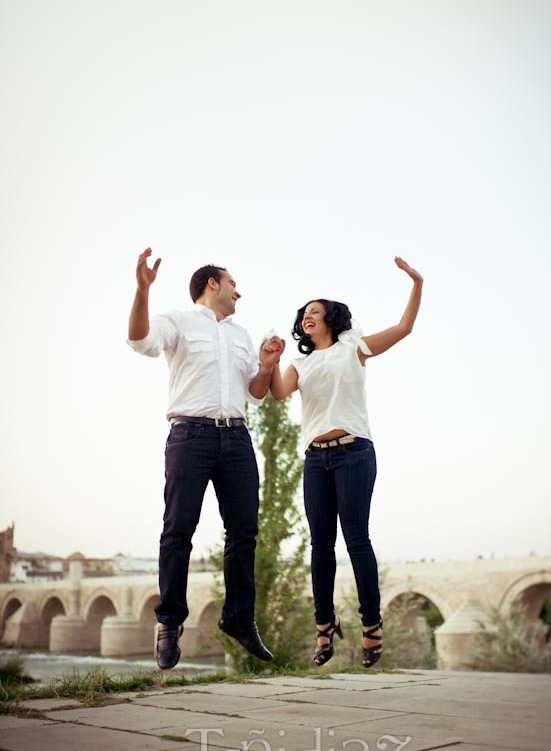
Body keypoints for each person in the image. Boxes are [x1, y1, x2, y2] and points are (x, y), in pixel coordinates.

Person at [128, 248, 283, 670]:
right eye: (233, 283)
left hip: (236, 438)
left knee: (245, 532)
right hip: (189, 436)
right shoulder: (177, 320)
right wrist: (142, 290)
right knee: (178, 530)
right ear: (212, 283)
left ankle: (238, 619)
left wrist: (267, 365)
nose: (238, 292)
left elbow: (255, 391)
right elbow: (140, 341)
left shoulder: (241, 334)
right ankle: (170, 623)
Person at [268, 256, 423, 668]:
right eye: (303, 314)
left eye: (314, 312)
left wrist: (416, 283)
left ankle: (371, 626)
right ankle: (324, 625)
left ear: (331, 318)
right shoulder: (299, 364)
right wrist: (269, 360)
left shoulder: (354, 346)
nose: (306, 317)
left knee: (356, 541)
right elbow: (279, 393)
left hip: (355, 453)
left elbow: (404, 328)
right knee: (320, 545)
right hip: (316, 461)